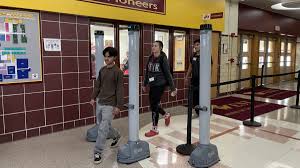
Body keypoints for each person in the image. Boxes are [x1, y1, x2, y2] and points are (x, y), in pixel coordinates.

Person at [89, 47, 124, 164]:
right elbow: (97, 85)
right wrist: (93, 98)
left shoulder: (118, 72)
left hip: (110, 105)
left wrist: (119, 105)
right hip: (100, 102)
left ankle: (98, 152)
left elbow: (120, 89)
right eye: (105, 56)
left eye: (109, 56)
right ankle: (117, 135)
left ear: (114, 57)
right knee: (101, 126)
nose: (106, 58)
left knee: (103, 129)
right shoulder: (102, 70)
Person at [142, 40, 177, 137]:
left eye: (155, 46)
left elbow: (168, 73)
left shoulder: (163, 58)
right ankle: (166, 115)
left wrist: (173, 88)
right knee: (153, 105)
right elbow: (147, 72)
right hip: (152, 84)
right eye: (152, 45)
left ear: (160, 48)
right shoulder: (150, 57)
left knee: (154, 106)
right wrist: (144, 84)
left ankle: (154, 129)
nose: (153, 47)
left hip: (160, 85)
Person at [185, 39, 213, 116]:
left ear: (202, 45)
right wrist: (186, 77)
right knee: (195, 96)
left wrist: (208, 79)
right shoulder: (193, 56)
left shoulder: (206, 55)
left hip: (203, 80)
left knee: (204, 96)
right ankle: (198, 112)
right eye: (195, 45)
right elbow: (190, 67)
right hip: (194, 80)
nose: (195, 46)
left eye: (197, 44)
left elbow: (210, 68)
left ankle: (208, 109)